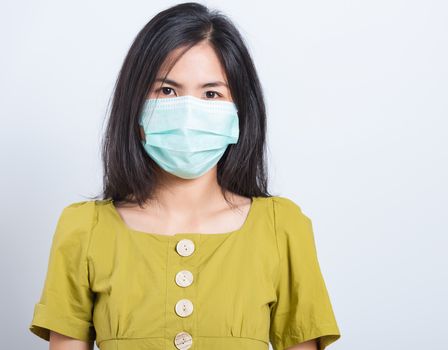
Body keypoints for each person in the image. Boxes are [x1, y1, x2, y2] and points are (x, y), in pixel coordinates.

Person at [28, 2, 341, 350]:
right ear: (135, 104)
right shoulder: (83, 229)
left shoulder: (282, 228)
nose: (189, 111)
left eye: (211, 93)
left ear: (239, 112)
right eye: (167, 90)